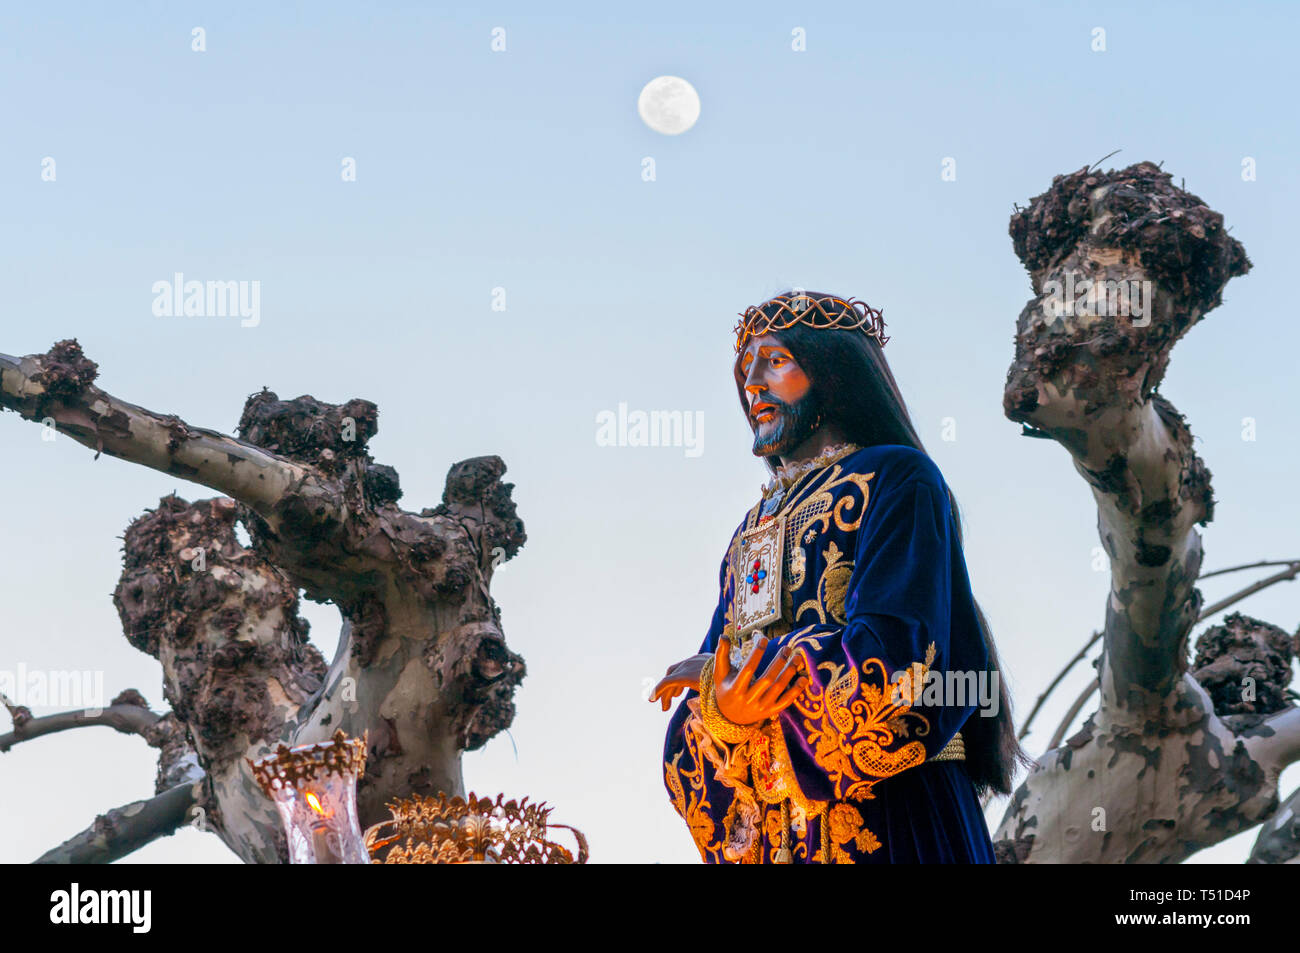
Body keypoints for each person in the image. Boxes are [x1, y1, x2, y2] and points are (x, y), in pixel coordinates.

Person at [651, 291, 1025, 863]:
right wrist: (725, 712)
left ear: (831, 371)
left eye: (774, 360)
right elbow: (705, 695)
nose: (752, 382)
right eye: (745, 367)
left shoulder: (899, 478)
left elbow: (899, 661)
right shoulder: (749, 530)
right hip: (784, 840)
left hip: (897, 816)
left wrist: (756, 677)